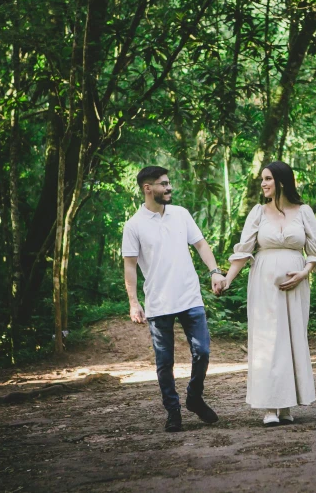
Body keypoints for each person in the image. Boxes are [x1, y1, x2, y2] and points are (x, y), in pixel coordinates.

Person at [122, 166, 227, 432]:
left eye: (169, 183)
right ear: (148, 189)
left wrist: (215, 271)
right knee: (164, 363)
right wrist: (134, 302)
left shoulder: (181, 214)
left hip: (190, 297)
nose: (169, 188)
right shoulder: (134, 225)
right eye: (163, 184)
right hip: (158, 304)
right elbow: (130, 265)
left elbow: (201, 244)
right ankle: (173, 411)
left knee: (202, 351)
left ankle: (194, 397)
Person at [222, 161, 316, 426]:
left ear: (281, 182)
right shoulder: (258, 212)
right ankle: (270, 406)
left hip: (296, 284)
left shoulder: (304, 212)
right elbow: (244, 251)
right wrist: (226, 280)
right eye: (262, 180)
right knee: (269, 341)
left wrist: (304, 273)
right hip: (264, 285)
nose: (263, 184)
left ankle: (287, 405)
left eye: (267, 179)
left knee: (291, 339)